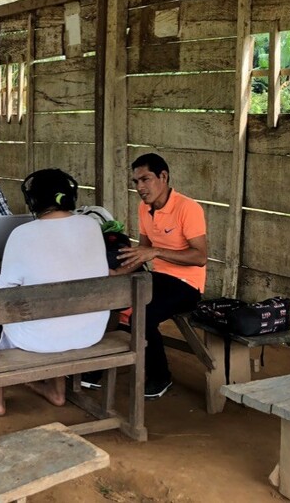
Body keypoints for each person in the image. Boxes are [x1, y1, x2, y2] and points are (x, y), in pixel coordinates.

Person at [0, 168, 110, 417]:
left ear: (32, 201)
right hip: (89, 331)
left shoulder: (21, 234)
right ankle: (56, 391)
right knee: (56, 312)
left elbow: (5, 289)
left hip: (38, 339)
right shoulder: (92, 226)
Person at [93, 153, 207, 399]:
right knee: (110, 299)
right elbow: (140, 254)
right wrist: (117, 273)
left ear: (163, 177)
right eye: (136, 182)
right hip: (157, 278)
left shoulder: (188, 208)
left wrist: (156, 251)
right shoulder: (145, 208)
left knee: (142, 316)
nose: (140, 187)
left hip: (187, 286)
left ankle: (160, 375)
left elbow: (200, 257)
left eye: (145, 179)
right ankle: (94, 369)